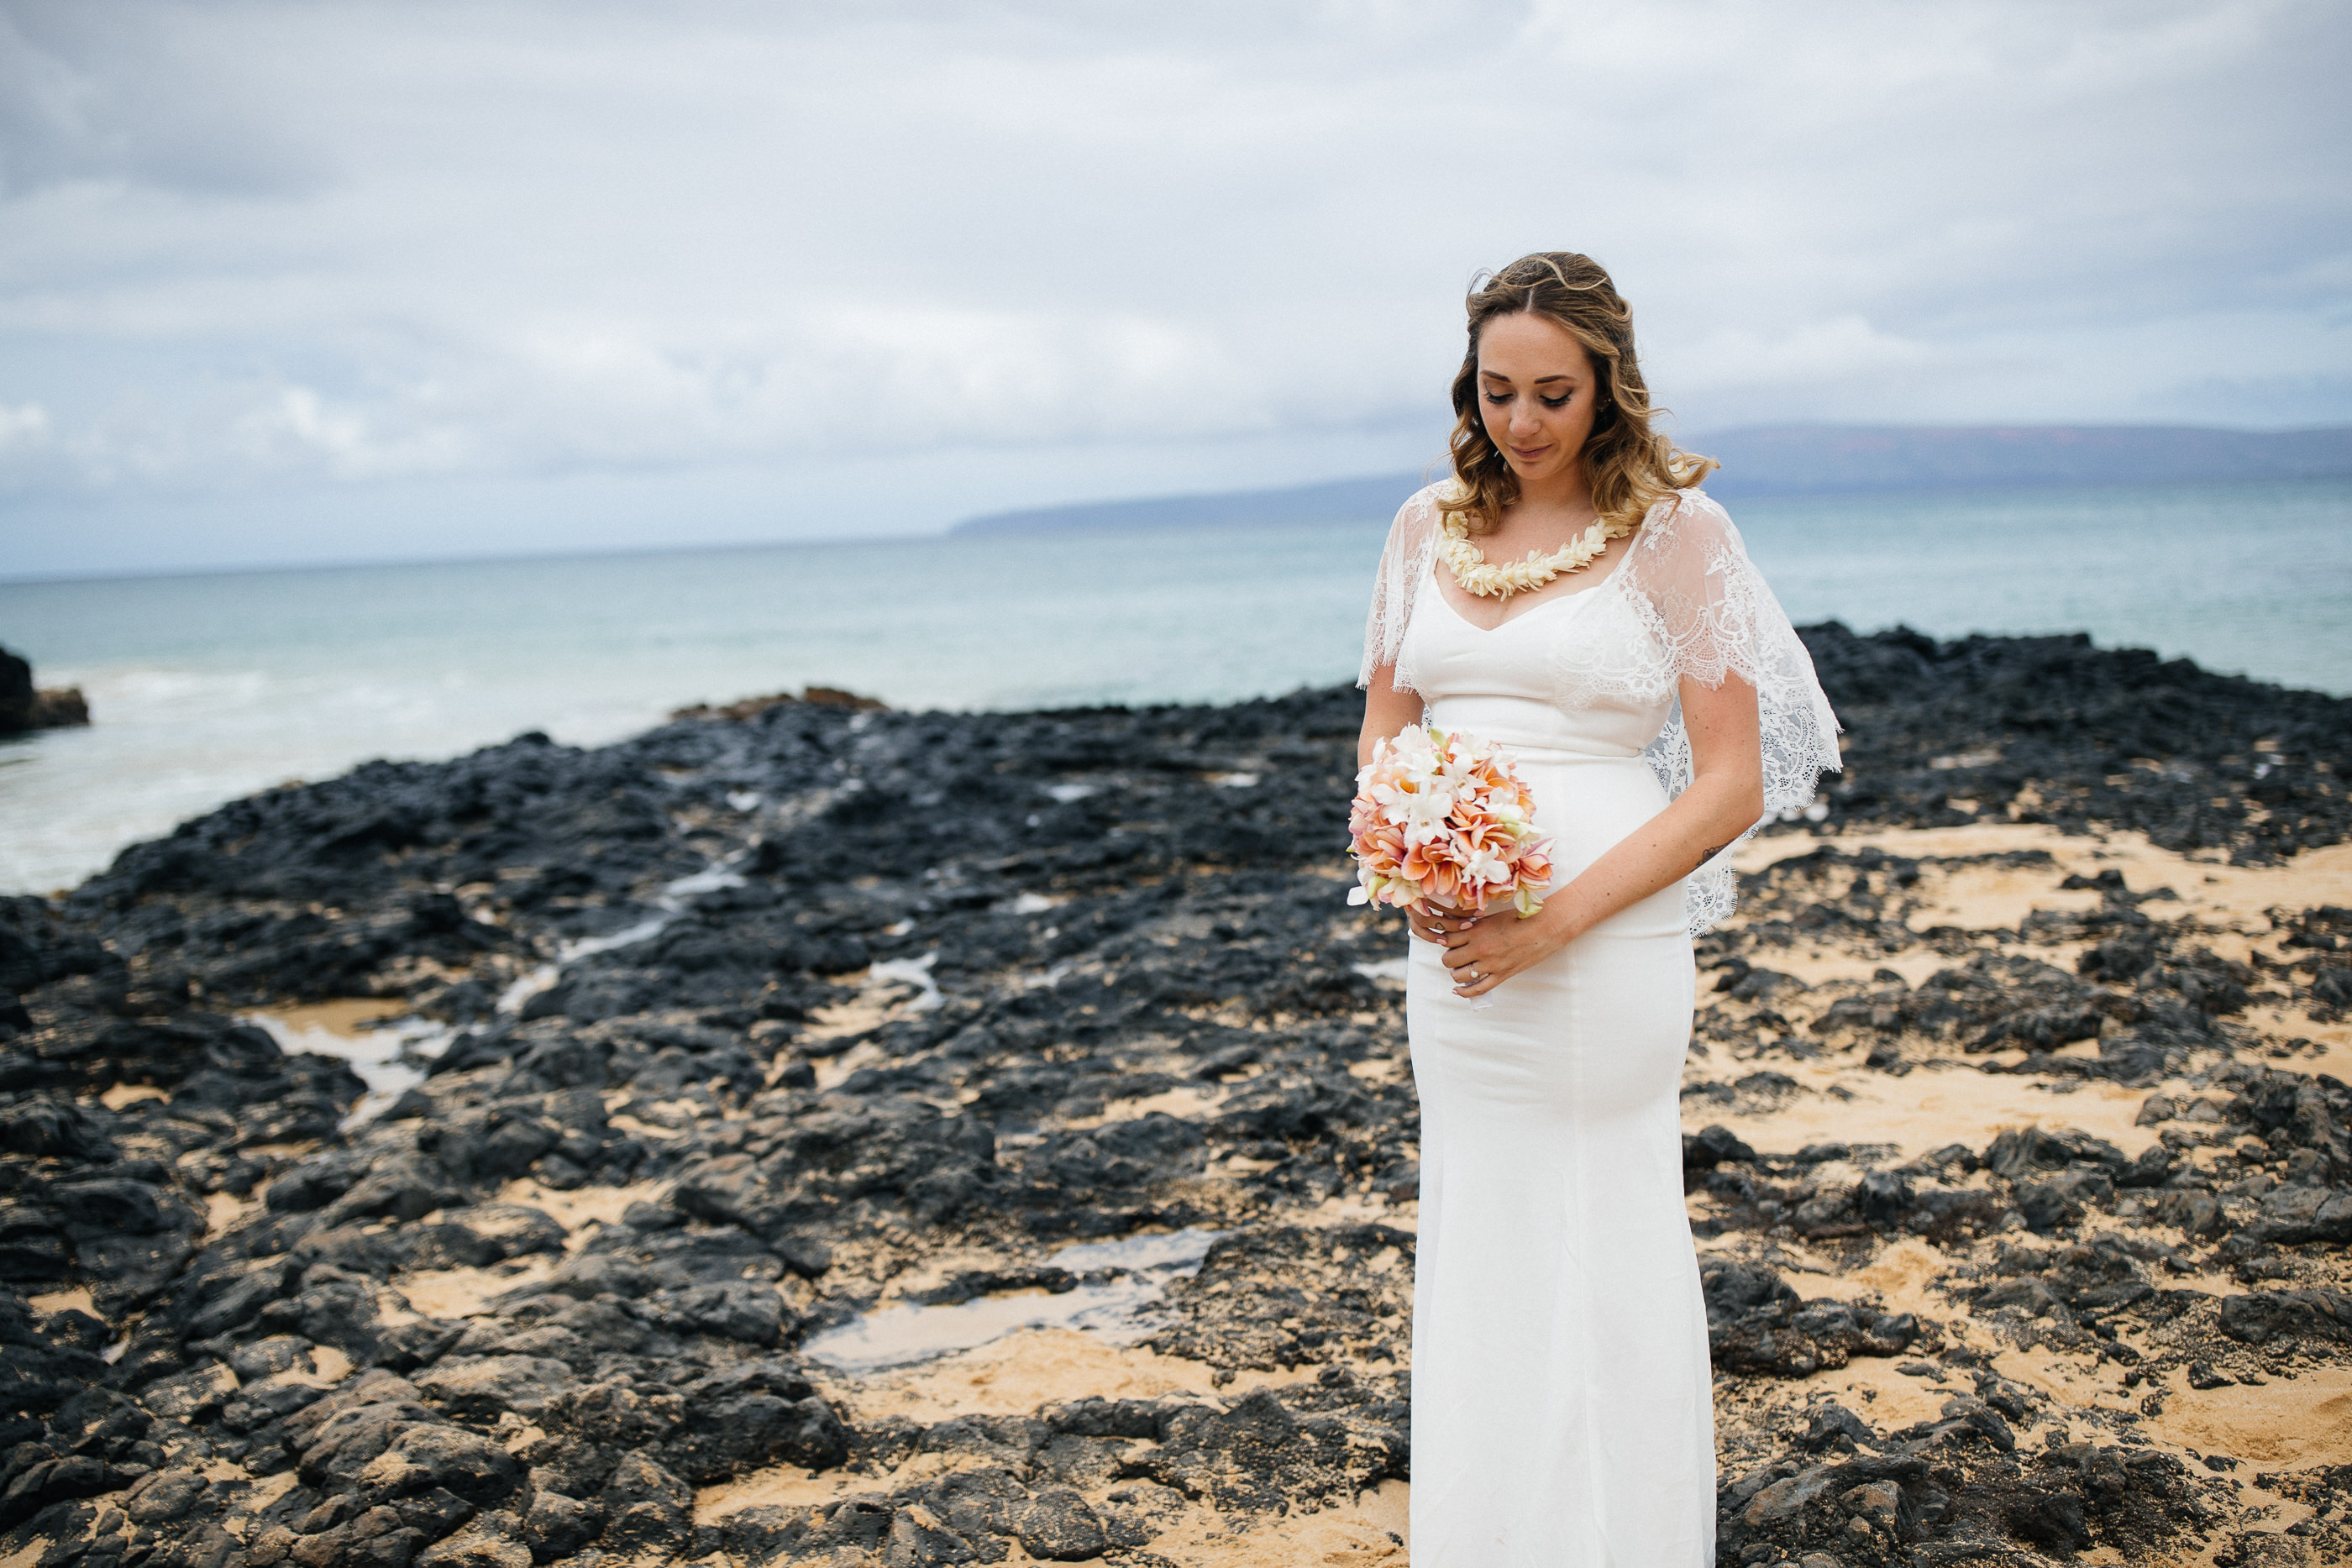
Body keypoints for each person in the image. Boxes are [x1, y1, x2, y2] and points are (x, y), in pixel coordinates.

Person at [1357, 252, 1841, 1564]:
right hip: (1456, 954)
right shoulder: (1421, 527)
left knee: (1595, 1219)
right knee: (1483, 1221)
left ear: (1610, 389)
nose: (1522, 422)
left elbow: (1731, 780)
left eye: (1553, 394)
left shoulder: (1679, 535)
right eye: (1499, 390)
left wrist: (1552, 917)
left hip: (1603, 943)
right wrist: (1408, 861)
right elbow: (1386, 729)